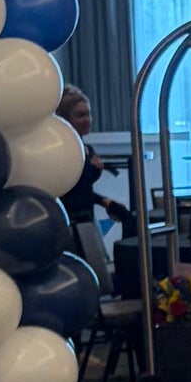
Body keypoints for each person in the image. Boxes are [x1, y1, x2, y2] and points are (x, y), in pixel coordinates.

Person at [56, 85, 132, 284]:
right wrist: (92, 170)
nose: (87, 120)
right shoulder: (64, 150)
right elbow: (70, 190)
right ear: (65, 119)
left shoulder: (86, 148)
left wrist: (105, 202)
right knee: (90, 277)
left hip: (86, 218)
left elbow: (83, 189)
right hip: (73, 225)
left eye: (88, 114)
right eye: (80, 115)